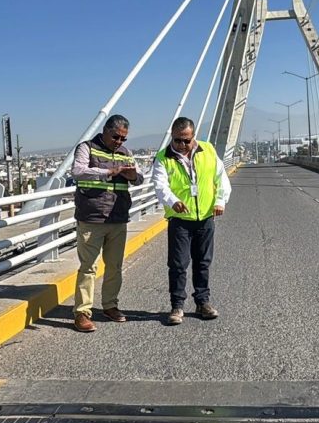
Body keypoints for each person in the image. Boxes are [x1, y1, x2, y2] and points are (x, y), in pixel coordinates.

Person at [150, 117, 232, 325]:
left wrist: (220, 201)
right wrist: (173, 201)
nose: (182, 145)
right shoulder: (163, 157)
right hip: (180, 220)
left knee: (203, 262)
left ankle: (203, 302)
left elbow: (220, 177)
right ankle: (177, 306)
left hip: (205, 217)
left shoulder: (208, 150)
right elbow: (160, 185)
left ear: (193, 136)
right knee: (178, 264)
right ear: (172, 137)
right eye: (178, 141)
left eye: (187, 140)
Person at [71, 114, 144, 332]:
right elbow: (77, 171)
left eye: (123, 139)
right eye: (116, 137)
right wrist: (107, 172)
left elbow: (139, 178)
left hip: (117, 216)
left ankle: (110, 305)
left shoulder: (126, 153)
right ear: (105, 130)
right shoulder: (88, 148)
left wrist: (132, 175)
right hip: (92, 217)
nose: (119, 142)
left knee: (115, 266)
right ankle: (82, 312)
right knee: (88, 267)